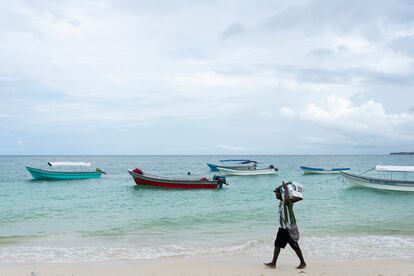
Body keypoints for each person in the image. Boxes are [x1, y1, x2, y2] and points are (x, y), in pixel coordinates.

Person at [264, 181, 306, 269]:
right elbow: (295, 199)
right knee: (277, 244)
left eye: (276, 193)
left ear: (281, 193)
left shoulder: (287, 202)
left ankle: (303, 263)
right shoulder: (282, 202)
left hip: (288, 228)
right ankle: (273, 263)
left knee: (295, 246)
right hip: (282, 228)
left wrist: (286, 188)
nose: (275, 194)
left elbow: (288, 199)